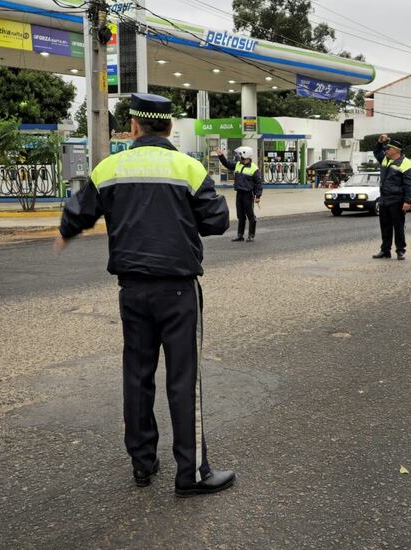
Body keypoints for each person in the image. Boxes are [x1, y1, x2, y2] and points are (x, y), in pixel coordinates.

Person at [54, 93, 236, 498]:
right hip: (177, 290)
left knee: (137, 377)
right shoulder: (187, 167)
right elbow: (217, 221)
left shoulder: (110, 168)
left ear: (134, 127)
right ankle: (190, 473)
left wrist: (65, 232)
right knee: (183, 379)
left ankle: (143, 464)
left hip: (132, 291)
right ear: (169, 127)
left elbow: (79, 212)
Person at [372, 134, 411, 260]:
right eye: (385, 149)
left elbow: (409, 185)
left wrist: (407, 201)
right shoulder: (385, 159)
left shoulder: (406, 164)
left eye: (388, 149)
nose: (386, 151)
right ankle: (385, 250)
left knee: (398, 227)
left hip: (397, 200)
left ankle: (400, 251)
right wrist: (379, 142)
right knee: (385, 227)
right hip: (384, 199)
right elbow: (376, 152)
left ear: (396, 150)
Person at [215, 146, 262, 242]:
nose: (240, 157)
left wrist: (258, 196)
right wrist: (221, 155)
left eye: (241, 156)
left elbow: (258, 183)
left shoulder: (254, 168)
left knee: (250, 216)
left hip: (248, 195)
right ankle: (240, 235)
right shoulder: (238, 164)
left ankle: (251, 235)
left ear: (246, 156)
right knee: (240, 215)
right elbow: (227, 164)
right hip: (239, 194)